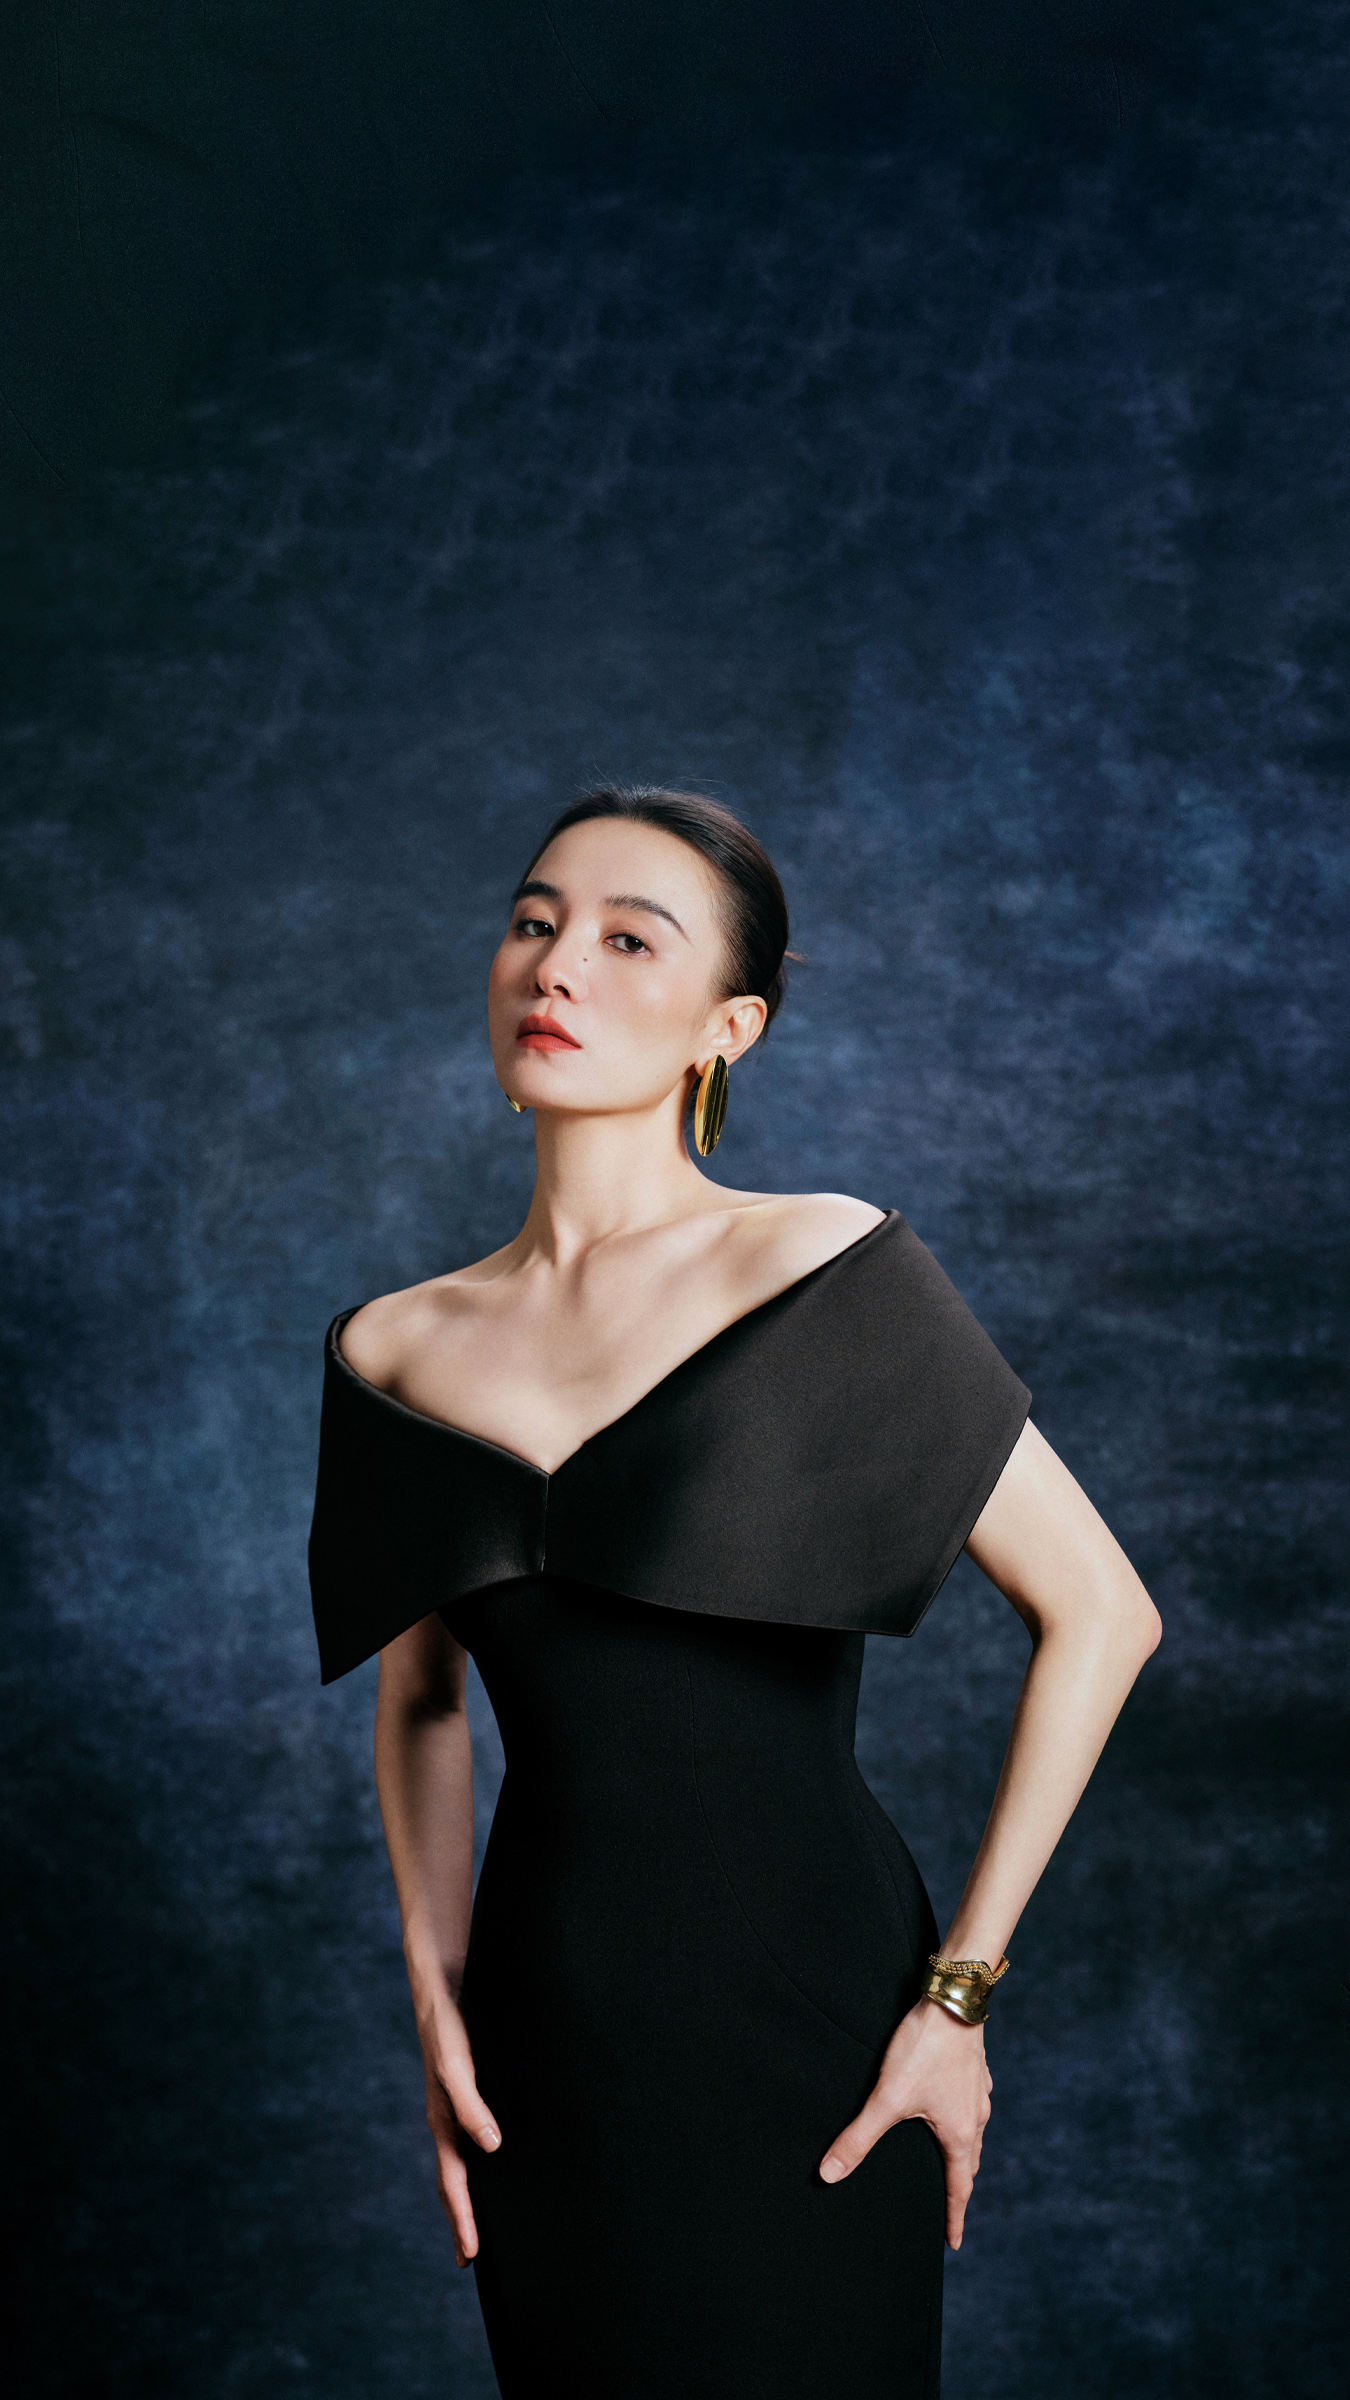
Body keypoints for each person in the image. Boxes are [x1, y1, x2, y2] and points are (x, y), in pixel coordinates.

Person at [308, 786, 1161, 2399]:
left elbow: (1103, 1614)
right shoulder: (392, 1346)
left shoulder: (824, 1267)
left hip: (813, 2017)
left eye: (630, 940)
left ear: (729, 1027)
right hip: (544, 2037)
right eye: (535, 921)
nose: (557, 965)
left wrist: (958, 1999)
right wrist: (435, 1998)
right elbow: (417, 1697)